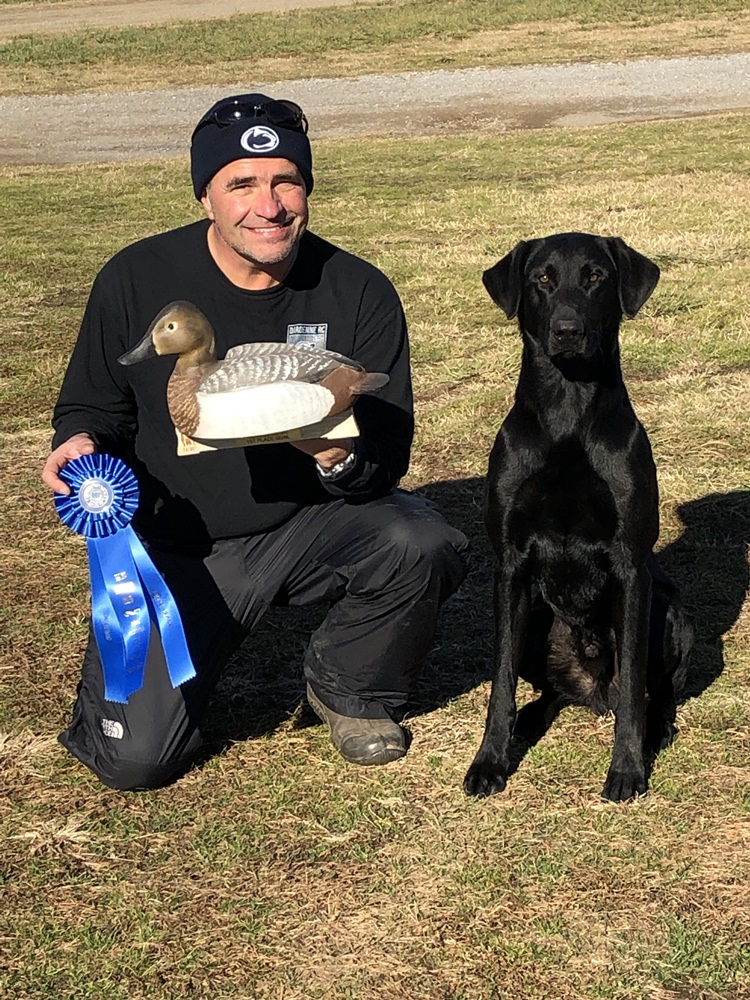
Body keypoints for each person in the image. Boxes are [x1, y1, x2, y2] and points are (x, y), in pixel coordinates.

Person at [42, 93, 470, 792]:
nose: (267, 206)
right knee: (137, 762)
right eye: (241, 183)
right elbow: (93, 402)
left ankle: (350, 687)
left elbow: (387, 458)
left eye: (285, 181)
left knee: (419, 542)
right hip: (175, 543)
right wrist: (77, 442)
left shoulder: (357, 290)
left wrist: (334, 454)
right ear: (206, 195)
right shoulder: (137, 277)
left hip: (304, 526)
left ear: (305, 189)